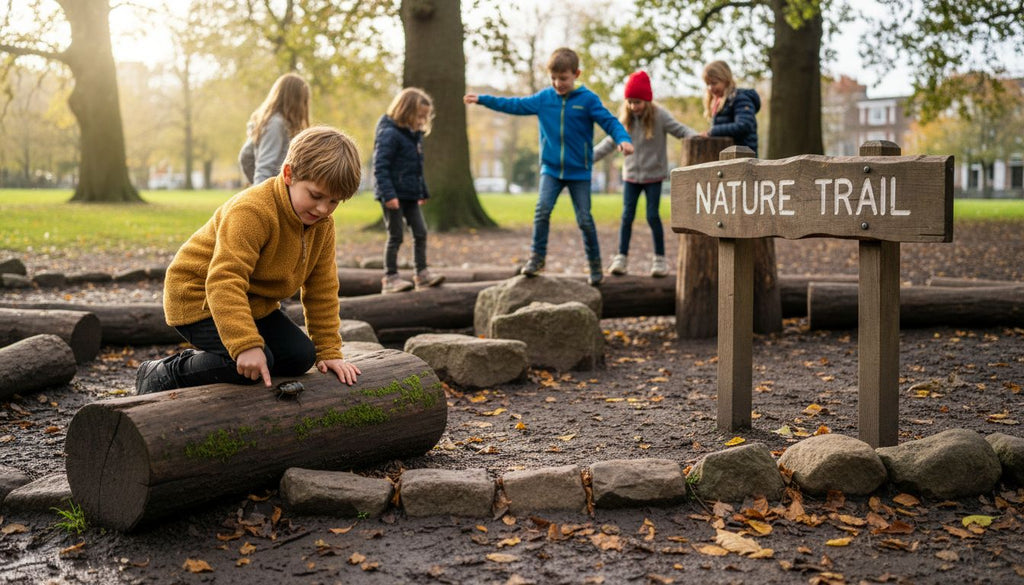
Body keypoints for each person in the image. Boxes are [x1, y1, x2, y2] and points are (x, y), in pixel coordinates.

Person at [136, 126, 362, 394]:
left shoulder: (322, 224)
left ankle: (248, 360)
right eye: (315, 195)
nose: (323, 209)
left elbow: (321, 289)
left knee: (301, 356)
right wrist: (245, 344)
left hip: (252, 302)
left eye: (334, 201)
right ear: (289, 174)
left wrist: (328, 350)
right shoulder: (252, 211)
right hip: (197, 297)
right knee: (250, 364)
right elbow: (224, 280)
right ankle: (164, 372)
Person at [464, 47, 634, 286]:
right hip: (551, 169)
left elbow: (610, 121)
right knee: (542, 210)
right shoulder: (544, 99)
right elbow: (514, 104)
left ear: (576, 74)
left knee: (585, 219)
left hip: (579, 171)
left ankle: (595, 265)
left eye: (563, 78)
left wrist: (623, 139)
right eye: (553, 78)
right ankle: (537, 258)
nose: (557, 83)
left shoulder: (588, 100)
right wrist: (484, 99)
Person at [593, 70, 697, 278]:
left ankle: (659, 260)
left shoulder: (660, 116)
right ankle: (621, 258)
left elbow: (681, 130)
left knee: (652, 216)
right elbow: (608, 143)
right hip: (631, 176)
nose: (634, 107)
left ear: (647, 101)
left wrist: (700, 138)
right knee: (626, 216)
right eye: (630, 102)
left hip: (653, 176)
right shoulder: (624, 120)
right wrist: (588, 158)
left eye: (638, 102)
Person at [373, 87, 445, 294]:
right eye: (420, 115)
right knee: (395, 235)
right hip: (393, 194)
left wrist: (422, 192)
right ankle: (390, 277)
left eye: (425, 116)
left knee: (421, 232)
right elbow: (381, 167)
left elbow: (417, 168)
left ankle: (421, 274)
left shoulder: (414, 135)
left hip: (410, 194)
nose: (423, 120)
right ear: (406, 110)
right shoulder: (389, 133)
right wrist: (389, 195)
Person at [238, 72, 311, 185]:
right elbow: (264, 167)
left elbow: (246, 156)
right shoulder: (275, 124)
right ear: (296, 100)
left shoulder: (270, 121)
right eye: (304, 101)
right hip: (271, 194)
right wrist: (261, 193)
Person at [699, 60, 761, 156]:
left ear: (726, 80)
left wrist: (713, 131)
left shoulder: (739, 99)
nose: (710, 88)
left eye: (714, 83)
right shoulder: (718, 102)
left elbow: (743, 125)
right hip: (727, 156)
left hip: (743, 156)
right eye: (708, 84)